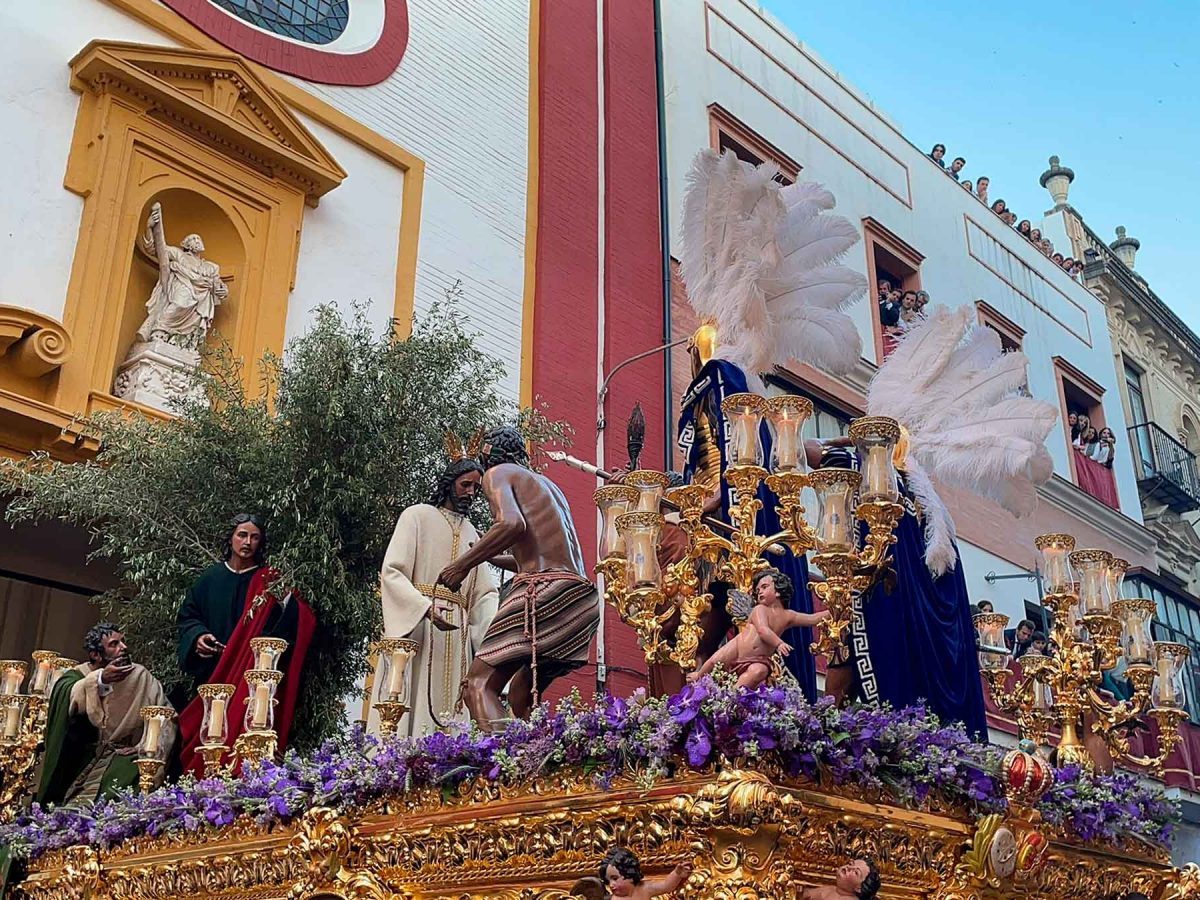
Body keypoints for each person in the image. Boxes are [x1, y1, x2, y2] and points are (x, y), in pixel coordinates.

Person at [440, 426, 599, 728]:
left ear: (488, 456)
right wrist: (485, 554)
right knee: (520, 695)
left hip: (542, 592)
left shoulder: (498, 474)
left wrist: (460, 565)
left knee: (479, 684)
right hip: (580, 601)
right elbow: (533, 555)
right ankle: (541, 760)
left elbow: (511, 524)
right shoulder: (548, 487)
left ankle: (507, 769)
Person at [377, 435, 500, 735]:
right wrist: (424, 608)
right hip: (418, 627)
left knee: (453, 710)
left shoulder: (474, 534)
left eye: (476, 488)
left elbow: (485, 594)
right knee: (411, 701)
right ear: (450, 483)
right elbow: (392, 572)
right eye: (465, 485)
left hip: (456, 635)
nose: (471, 493)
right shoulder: (417, 517)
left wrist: (492, 637)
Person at [175, 514, 316, 775]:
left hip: (251, 679)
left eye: (254, 537)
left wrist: (284, 599)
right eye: (242, 535)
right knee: (206, 734)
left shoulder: (269, 580)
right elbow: (187, 616)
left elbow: (302, 619)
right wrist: (198, 636)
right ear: (231, 538)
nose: (247, 542)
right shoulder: (210, 579)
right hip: (216, 673)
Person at [38, 623, 173, 804]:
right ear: (96, 654)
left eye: (123, 641)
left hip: (127, 757)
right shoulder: (79, 675)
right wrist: (101, 680)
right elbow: (67, 695)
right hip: (83, 759)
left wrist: (144, 745)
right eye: (114, 644)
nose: (123, 647)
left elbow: (166, 715)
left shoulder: (142, 677)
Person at [687, 569, 830, 689]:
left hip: (759, 659)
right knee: (715, 661)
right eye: (757, 590)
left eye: (764, 587)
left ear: (778, 591)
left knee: (759, 671)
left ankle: (733, 697)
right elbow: (763, 630)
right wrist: (779, 643)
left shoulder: (788, 616)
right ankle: (698, 675)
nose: (759, 592)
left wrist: (833, 612)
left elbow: (813, 619)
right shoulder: (759, 609)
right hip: (738, 648)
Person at [600, 848, 692, 899]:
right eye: (609, 881)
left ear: (630, 874)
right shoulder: (615, 899)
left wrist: (677, 874)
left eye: (615, 878)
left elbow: (666, 886)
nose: (611, 885)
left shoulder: (645, 888)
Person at [799, 858, 882, 900]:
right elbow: (805, 895)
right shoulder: (830, 889)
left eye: (856, 872)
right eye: (850, 864)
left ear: (859, 888)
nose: (849, 867)